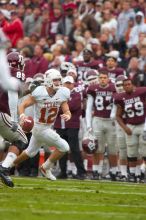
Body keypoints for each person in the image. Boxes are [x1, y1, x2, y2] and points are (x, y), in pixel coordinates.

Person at [1, 69, 71, 187]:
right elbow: (23, 104)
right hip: (40, 127)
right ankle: (45, 167)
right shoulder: (39, 92)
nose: (58, 82)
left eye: (59, 80)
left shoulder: (63, 92)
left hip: (48, 126)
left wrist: (68, 114)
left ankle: (5, 166)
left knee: (30, 152)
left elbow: (65, 107)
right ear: (48, 80)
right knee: (64, 147)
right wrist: (22, 115)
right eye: (55, 80)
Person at [0, 51, 28, 187]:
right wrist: (15, 120)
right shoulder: (15, 73)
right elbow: (12, 94)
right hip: (1, 113)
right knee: (21, 139)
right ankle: (4, 168)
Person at [86, 70, 118, 180]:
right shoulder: (93, 89)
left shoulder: (114, 88)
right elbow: (89, 107)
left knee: (113, 148)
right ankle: (96, 170)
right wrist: (88, 124)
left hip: (110, 121)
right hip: (98, 120)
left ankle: (114, 171)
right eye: (101, 77)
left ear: (108, 78)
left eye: (105, 77)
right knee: (97, 148)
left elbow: (117, 105)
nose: (103, 79)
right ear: (98, 78)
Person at [54, 75, 86, 180]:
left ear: (73, 84)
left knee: (75, 149)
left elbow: (73, 106)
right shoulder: (57, 93)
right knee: (61, 149)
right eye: (66, 83)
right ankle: (63, 172)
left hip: (72, 125)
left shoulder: (76, 94)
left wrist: (61, 106)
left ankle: (81, 172)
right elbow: (54, 108)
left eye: (69, 83)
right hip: (60, 125)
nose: (67, 85)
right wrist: (62, 107)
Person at [115, 78, 146, 182]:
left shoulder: (141, 92)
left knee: (144, 151)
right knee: (131, 152)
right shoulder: (121, 97)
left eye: (129, 84)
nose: (127, 86)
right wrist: (125, 127)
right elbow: (118, 116)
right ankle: (132, 174)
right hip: (130, 126)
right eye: (125, 85)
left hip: (142, 125)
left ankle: (141, 173)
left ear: (133, 85)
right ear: (123, 87)